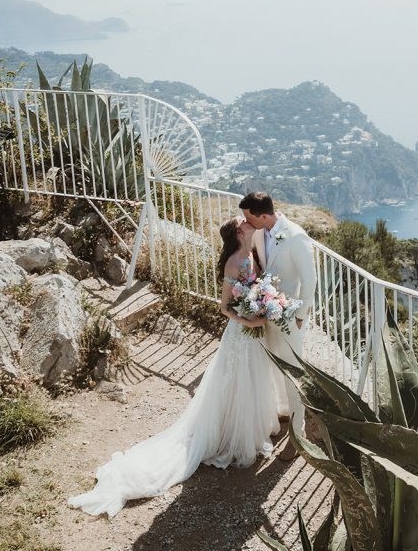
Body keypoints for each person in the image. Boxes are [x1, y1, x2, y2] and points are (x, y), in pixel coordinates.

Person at [68, 218, 281, 518]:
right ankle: (231, 435)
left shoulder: (252, 254)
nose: (249, 223)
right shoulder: (234, 262)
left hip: (252, 335)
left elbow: (257, 287)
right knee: (235, 383)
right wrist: (251, 319)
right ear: (237, 233)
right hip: (240, 335)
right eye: (243, 223)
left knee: (252, 381)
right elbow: (224, 307)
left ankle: (251, 426)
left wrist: (264, 302)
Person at [239, 192, 317, 460]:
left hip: (290, 317)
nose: (245, 221)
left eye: (249, 217)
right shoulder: (260, 233)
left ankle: (298, 435)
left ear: (263, 216)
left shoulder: (295, 236)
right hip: (267, 312)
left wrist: (301, 315)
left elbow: (310, 280)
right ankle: (284, 412)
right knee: (274, 366)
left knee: (293, 374)